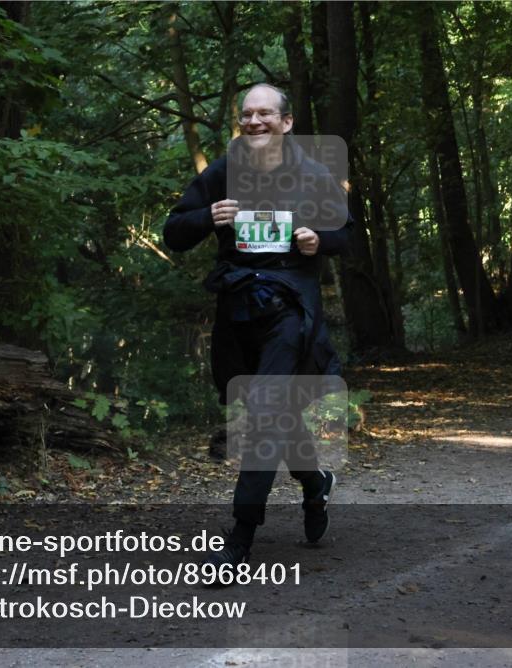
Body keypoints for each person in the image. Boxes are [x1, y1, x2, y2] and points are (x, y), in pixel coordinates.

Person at [163, 83, 351, 577]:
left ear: (286, 123)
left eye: (264, 114)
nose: (253, 122)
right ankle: (315, 483)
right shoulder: (224, 172)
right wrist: (206, 216)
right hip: (238, 308)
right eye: (246, 115)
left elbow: (348, 233)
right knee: (272, 411)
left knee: (266, 413)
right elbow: (174, 232)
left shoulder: (313, 175)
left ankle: (240, 539)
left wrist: (318, 239)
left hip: (290, 310)